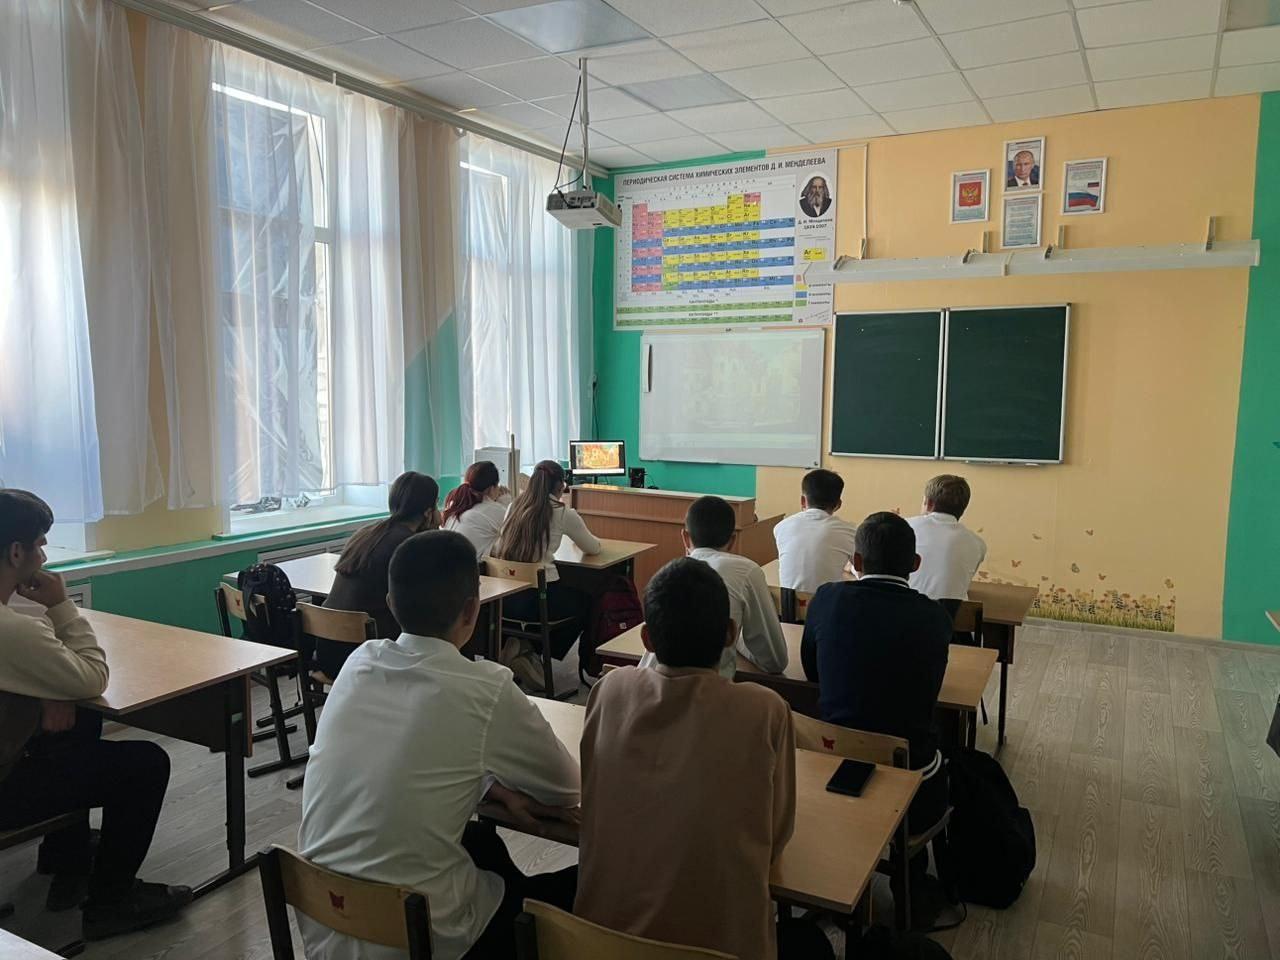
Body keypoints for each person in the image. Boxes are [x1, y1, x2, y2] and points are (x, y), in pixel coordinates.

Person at [298, 530, 580, 960]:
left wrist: (490, 786)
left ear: (391, 604)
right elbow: (566, 787)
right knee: (576, 887)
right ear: (472, 609)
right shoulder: (484, 689)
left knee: (481, 844)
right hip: (418, 940)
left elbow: (400, 756)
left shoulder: (360, 663)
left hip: (325, 924)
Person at [576, 557, 813, 960]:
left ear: (646, 639)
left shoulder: (609, 690)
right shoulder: (765, 710)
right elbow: (775, 837)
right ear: (731, 634)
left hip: (598, 944)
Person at [0, 489, 191, 940]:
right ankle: (111, 901)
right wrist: (61, 605)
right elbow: (93, 677)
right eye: (40, 544)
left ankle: (65, 856)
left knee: (81, 721)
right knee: (146, 763)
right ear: (16, 552)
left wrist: (49, 692)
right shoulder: (11, 631)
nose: (44, 556)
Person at [800, 511, 952, 924]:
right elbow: (930, 691)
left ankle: (831, 880)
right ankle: (911, 887)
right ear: (915, 564)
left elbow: (812, 672)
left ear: (856, 561)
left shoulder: (826, 598)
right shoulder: (934, 617)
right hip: (910, 776)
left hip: (832, 763)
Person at [642, 496, 786, 678]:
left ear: (685, 538)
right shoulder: (747, 571)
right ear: (732, 540)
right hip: (709, 689)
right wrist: (736, 641)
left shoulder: (669, 574)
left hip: (650, 681)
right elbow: (774, 661)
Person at [490, 460, 600, 691]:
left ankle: (524, 647)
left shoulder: (514, 506)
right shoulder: (562, 512)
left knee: (559, 596)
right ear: (560, 486)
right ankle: (534, 651)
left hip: (505, 601)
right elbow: (593, 548)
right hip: (538, 603)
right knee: (589, 602)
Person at [318, 472, 441, 677]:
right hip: (366, 656)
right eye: (437, 504)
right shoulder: (408, 545)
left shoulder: (366, 532)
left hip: (328, 651)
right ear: (428, 512)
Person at [773, 468, 858, 594]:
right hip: (827, 604)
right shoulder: (849, 531)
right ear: (838, 504)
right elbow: (862, 572)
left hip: (788, 604)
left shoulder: (781, 527)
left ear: (803, 501)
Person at [906, 474, 986, 606]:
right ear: (963, 509)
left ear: (929, 503)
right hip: (953, 615)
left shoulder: (904, 527)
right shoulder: (978, 543)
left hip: (907, 609)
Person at [442, 461, 511, 560]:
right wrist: (507, 504)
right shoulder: (493, 509)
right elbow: (516, 534)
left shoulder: (456, 505)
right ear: (491, 488)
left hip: (447, 565)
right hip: (470, 568)